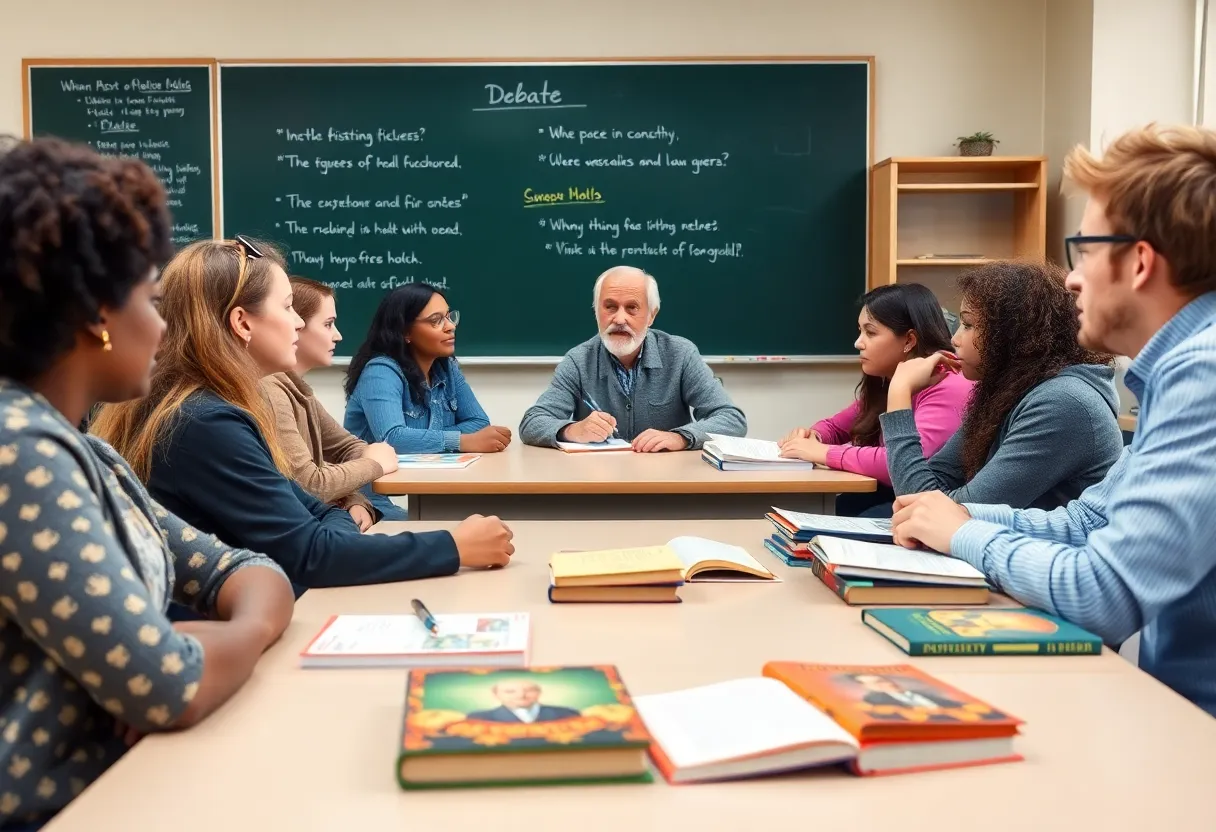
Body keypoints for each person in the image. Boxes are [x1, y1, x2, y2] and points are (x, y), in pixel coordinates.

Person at [0, 136, 295, 829]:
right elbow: (167, 686)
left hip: (125, 790)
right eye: (150, 299)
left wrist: (215, 637)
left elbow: (250, 569)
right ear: (98, 314)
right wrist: (235, 638)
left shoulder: (81, 451)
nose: (163, 325)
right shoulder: (20, 449)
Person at [891, 124, 1216, 718]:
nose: (1070, 278)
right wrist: (959, 514)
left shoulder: (1205, 374)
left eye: (1084, 252)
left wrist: (963, 532)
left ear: (1140, 262)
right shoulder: (1185, 367)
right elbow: (1093, 518)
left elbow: (1103, 592)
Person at [90, 239, 515, 590]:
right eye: (290, 306)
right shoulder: (205, 421)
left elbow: (317, 515)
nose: (298, 323)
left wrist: (339, 522)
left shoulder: (216, 406)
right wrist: (453, 546)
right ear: (242, 323)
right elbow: (313, 554)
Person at [879, 261, 1123, 511]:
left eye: (969, 325)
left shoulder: (1063, 402)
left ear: (1012, 334)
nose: (954, 339)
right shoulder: (1009, 392)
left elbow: (956, 514)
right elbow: (930, 491)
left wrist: (899, 394)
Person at [778, 283, 972, 515]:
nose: (858, 343)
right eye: (860, 331)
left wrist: (821, 452)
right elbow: (837, 426)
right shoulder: (888, 378)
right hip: (899, 496)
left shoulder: (949, 383)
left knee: (854, 514)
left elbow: (900, 462)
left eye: (870, 332)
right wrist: (813, 435)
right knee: (839, 507)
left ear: (909, 340)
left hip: (936, 507)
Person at [519, 265, 746, 451]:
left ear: (651, 316)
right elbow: (532, 423)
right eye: (610, 307)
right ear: (596, 312)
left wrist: (681, 437)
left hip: (667, 483)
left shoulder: (680, 354)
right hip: (598, 485)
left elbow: (731, 419)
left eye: (632, 308)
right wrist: (571, 430)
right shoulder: (578, 361)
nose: (619, 318)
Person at [344, 284, 511, 519]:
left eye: (449, 317)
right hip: (367, 503)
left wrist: (427, 439)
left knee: (480, 518)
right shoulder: (381, 371)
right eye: (436, 320)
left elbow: (479, 422)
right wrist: (462, 441)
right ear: (406, 332)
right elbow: (393, 438)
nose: (450, 326)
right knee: (451, 529)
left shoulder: (446, 367)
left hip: (424, 486)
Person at [260, 277, 399, 532]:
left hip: (319, 522)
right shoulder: (270, 390)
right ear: (294, 326)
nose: (338, 335)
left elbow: (348, 447)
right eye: (328, 324)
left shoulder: (298, 388)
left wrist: (355, 499)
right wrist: (374, 464)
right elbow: (311, 485)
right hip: (302, 533)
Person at [466, 680, 580, 723]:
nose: (521, 696)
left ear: (539, 693)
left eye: (529, 690)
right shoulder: (478, 719)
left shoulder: (567, 714)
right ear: (496, 695)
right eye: (510, 692)